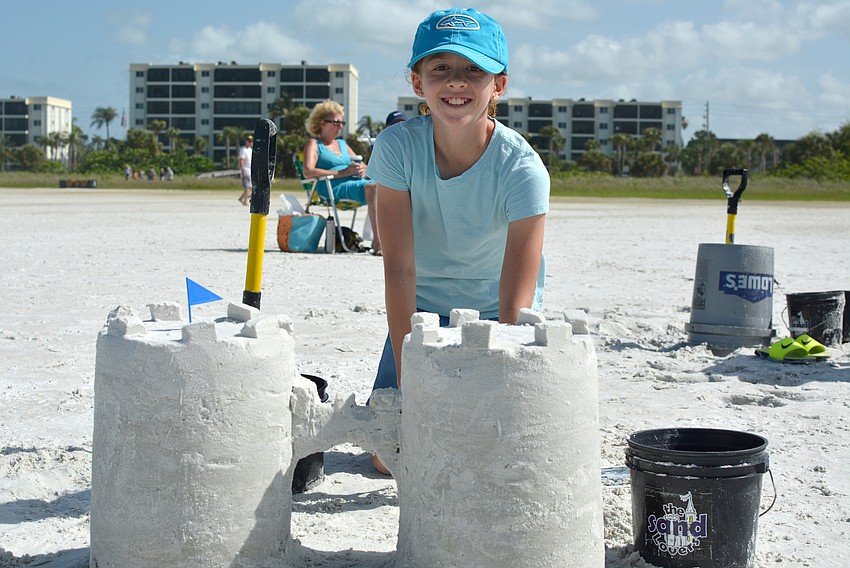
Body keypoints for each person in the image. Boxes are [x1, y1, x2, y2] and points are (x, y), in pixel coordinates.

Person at [367, 8, 550, 473]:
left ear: (499, 86)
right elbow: (399, 268)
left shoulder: (522, 168)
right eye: (440, 68)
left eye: (474, 69)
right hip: (422, 311)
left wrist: (499, 374)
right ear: (417, 81)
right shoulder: (395, 148)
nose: (456, 82)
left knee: (488, 438)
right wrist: (411, 375)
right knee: (391, 456)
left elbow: (515, 296)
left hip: (493, 311)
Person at [302, 101, 381, 255]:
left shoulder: (342, 144)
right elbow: (308, 171)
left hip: (355, 184)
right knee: (374, 188)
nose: (340, 126)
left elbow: (360, 163)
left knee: (386, 187)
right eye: (336, 122)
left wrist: (364, 169)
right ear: (322, 123)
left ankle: (395, 240)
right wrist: (342, 173)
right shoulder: (314, 144)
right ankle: (378, 242)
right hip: (332, 186)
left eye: (342, 123)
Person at [238, 135, 253, 205]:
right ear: (246, 141)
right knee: (247, 186)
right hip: (245, 169)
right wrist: (243, 169)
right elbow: (241, 160)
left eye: (251, 141)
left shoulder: (250, 150)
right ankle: (245, 201)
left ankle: (241, 198)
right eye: (249, 141)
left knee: (250, 186)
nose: (250, 143)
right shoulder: (243, 149)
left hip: (250, 170)